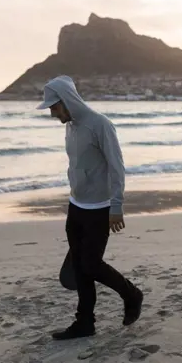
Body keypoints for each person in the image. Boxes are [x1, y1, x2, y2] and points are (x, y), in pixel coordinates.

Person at [37, 75, 144, 340]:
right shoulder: (70, 125)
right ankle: (85, 323)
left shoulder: (100, 125)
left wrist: (116, 206)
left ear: (66, 102)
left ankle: (131, 293)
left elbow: (117, 166)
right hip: (76, 207)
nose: (52, 113)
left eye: (53, 107)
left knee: (91, 265)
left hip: (100, 208)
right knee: (80, 267)